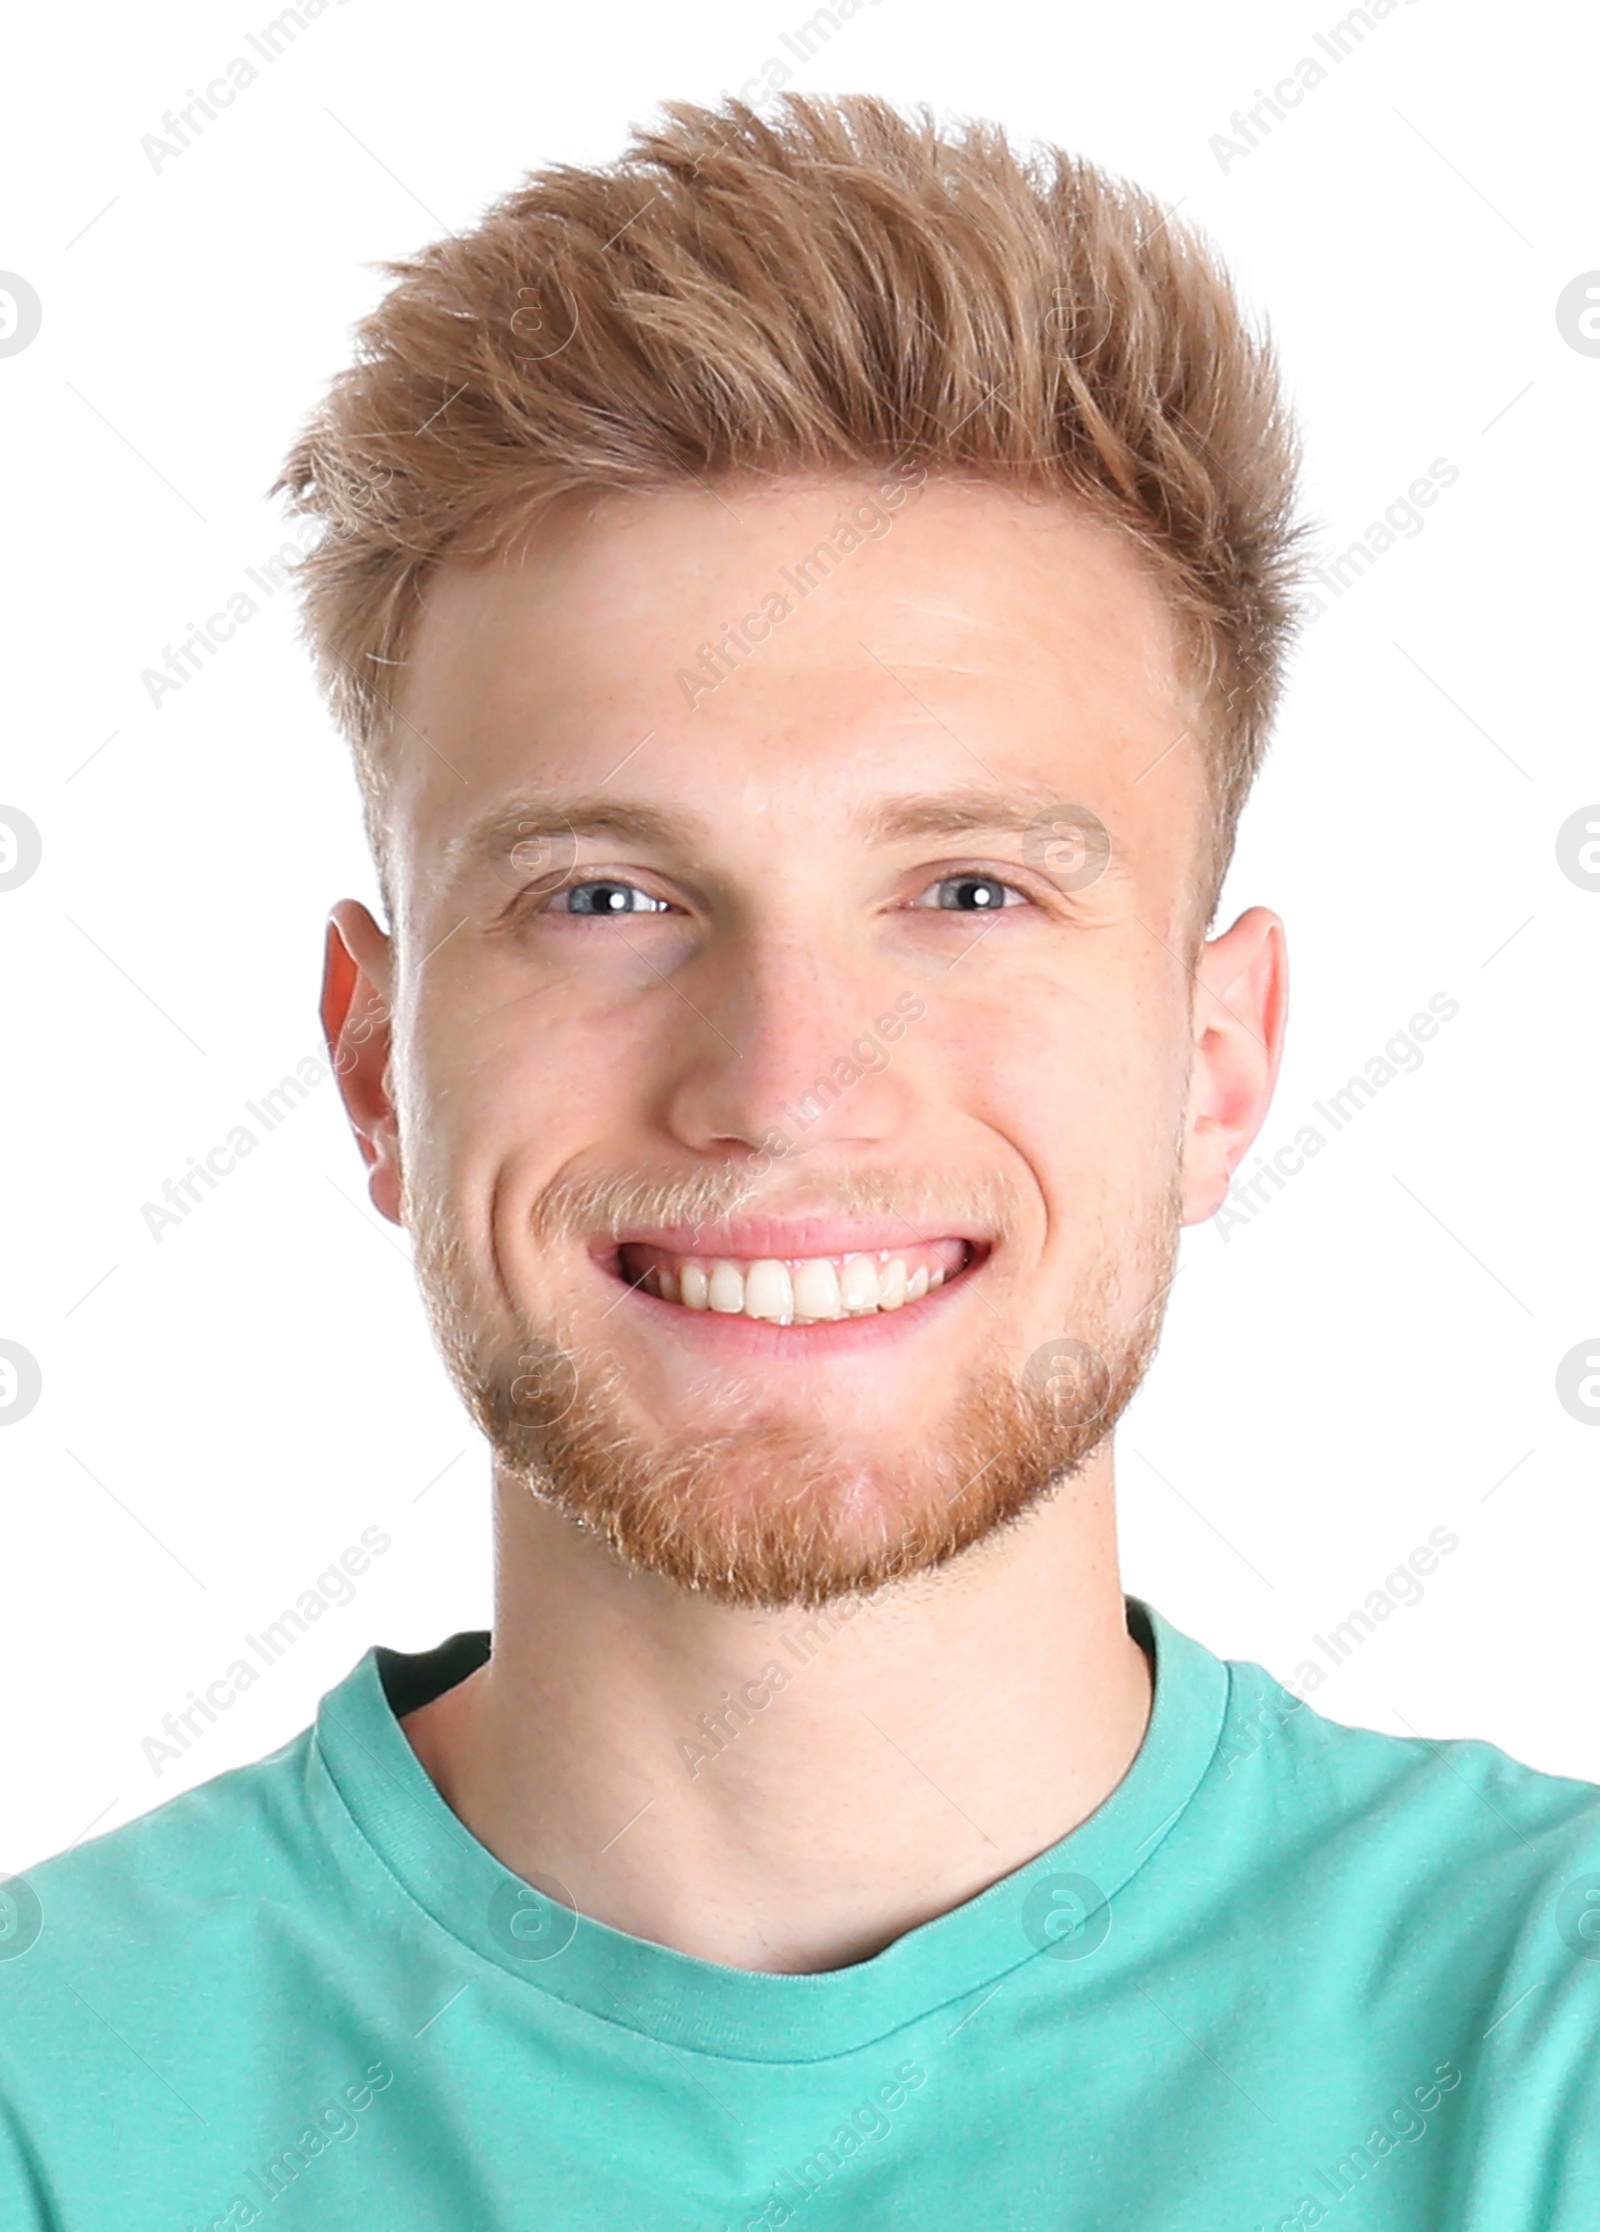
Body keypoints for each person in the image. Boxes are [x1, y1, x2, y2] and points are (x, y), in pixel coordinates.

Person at [4, 91, 1596, 2232]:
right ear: (378, 1068)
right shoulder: (52, 2095)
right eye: (599, 895)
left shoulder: (1543, 2049)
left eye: (961, 893)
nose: (781, 1085)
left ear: (1213, 1064)